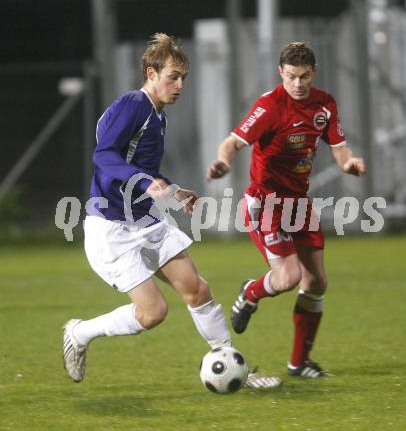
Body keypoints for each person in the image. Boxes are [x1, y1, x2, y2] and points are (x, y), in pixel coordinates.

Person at [62, 33, 280, 390]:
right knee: (153, 313)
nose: (179, 85)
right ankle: (80, 332)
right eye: (172, 77)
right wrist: (146, 183)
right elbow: (103, 155)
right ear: (151, 72)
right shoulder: (135, 104)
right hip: (112, 227)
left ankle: (232, 364)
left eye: (183, 78)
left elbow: (144, 168)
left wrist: (174, 191)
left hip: (146, 220)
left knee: (197, 289)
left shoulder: (157, 116)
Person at [207, 41, 366, 378]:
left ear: (314, 73)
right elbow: (233, 141)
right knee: (288, 278)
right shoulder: (269, 106)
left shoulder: (324, 104)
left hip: (299, 203)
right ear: (281, 72)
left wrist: (348, 162)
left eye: (304, 76)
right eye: (291, 76)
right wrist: (222, 161)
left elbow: (338, 147)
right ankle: (251, 292)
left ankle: (298, 363)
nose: (298, 84)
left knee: (317, 281)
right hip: (265, 203)